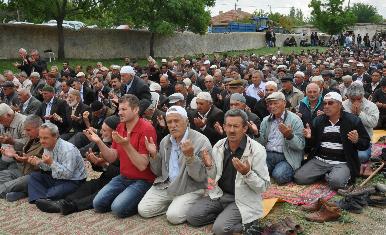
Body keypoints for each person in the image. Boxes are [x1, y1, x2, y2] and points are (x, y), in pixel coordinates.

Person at [186, 109, 270, 235]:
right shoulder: (219, 146)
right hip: (220, 195)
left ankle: (246, 223)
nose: (231, 130)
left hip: (242, 198)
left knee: (220, 230)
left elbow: (263, 187)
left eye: (236, 126)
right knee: (193, 217)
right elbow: (213, 178)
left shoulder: (257, 150)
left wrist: (247, 173)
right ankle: (227, 218)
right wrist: (209, 167)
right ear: (224, 127)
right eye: (229, 126)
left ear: (245, 128)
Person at [85, 94, 157, 218]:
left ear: (135, 110)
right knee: (98, 204)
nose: (119, 113)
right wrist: (99, 142)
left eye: (124, 109)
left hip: (143, 180)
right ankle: (127, 198)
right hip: (124, 177)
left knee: (117, 209)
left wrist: (126, 145)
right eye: (119, 109)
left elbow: (142, 165)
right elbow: (113, 157)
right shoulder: (120, 126)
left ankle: (141, 199)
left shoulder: (146, 129)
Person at [138, 105, 212, 225]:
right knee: (143, 210)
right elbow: (158, 172)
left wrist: (190, 157)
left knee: (174, 217)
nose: (173, 125)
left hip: (189, 187)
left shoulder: (201, 141)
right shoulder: (165, 141)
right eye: (169, 122)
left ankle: (185, 203)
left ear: (186, 122)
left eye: (176, 121)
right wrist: (154, 155)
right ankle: (175, 203)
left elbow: (200, 177)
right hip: (167, 185)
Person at [32, 116, 120, 215]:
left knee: (99, 194)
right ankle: (62, 203)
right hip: (106, 177)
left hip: (119, 180)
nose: (101, 132)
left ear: (115, 132)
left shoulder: (121, 145)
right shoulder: (104, 142)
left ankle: (72, 206)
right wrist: (96, 163)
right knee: (87, 187)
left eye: (104, 130)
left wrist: (105, 164)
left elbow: (122, 172)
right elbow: (100, 169)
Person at [294, 92, 371, 189]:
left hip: (342, 162)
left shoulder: (353, 121)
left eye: (330, 103)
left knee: (336, 183)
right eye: (324, 103)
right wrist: (309, 137)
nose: (326, 106)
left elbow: (365, 143)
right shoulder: (318, 120)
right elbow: (312, 145)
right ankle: (328, 174)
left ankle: (335, 175)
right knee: (299, 178)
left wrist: (356, 141)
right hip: (320, 160)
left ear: (339, 105)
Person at [29, 123, 87, 204]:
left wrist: (52, 163)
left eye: (45, 138)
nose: (42, 141)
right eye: (40, 138)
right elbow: (48, 168)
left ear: (55, 136)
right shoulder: (47, 146)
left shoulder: (68, 149)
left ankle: (43, 197)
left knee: (52, 194)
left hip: (73, 181)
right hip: (57, 178)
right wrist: (39, 162)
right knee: (34, 177)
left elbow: (68, 174)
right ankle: (42, 199)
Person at [258, 92, 305, 185]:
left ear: (284, 103)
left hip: (287, 157)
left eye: (275, 103)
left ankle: (282, 170)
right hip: (268, 155)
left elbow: (300, 146)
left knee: (279, 176)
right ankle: (271, 171)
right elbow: (261, 144)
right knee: (256, 172)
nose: (272, 106)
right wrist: (256, 134)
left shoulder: (295, 120)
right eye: (270, 104)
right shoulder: (265, 120)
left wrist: (289, 136)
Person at [0, 115, 43, 201]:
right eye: (25, 129)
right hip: (23, 171)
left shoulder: (47, 141)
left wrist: (27, 159)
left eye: (28, 130)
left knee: (7, 186)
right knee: (3, 175)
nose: (26, 133)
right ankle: (23, 192)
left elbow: (46, 166)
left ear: (39, 128)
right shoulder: (32, 138)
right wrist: (14, 154)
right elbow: (25, 155)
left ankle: (21, 191)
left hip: (35, 176)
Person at [342, 83, 379, 163]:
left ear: (362, 96)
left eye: (358, 99)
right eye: (353, 99)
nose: (356, 102)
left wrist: (360, 113)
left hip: (364, 140)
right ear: (348, 97)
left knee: (362, 157)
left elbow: (373, 123)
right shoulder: (343, 105)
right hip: (345, 139)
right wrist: (351, 115)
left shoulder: (371, 106)